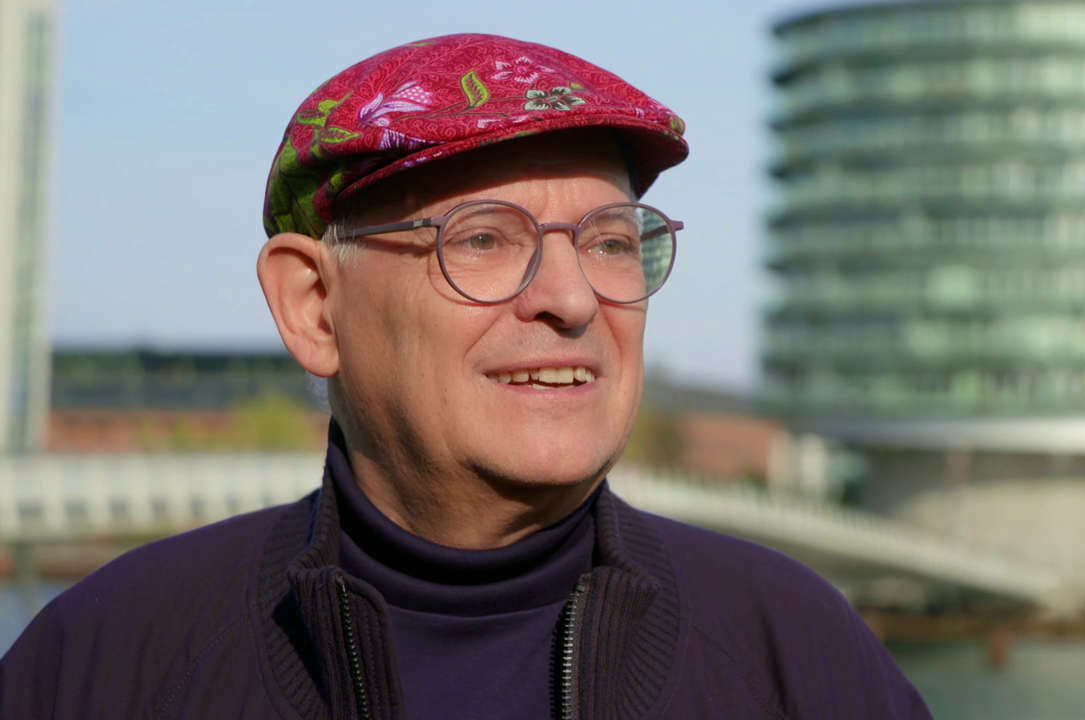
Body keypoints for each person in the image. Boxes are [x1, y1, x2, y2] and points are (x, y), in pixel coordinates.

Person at [0, 34, 931, 719]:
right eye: (483, 239)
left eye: (611, 243)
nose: (572, 298)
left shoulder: (794, 653)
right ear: (314, 307)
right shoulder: (105, 665)